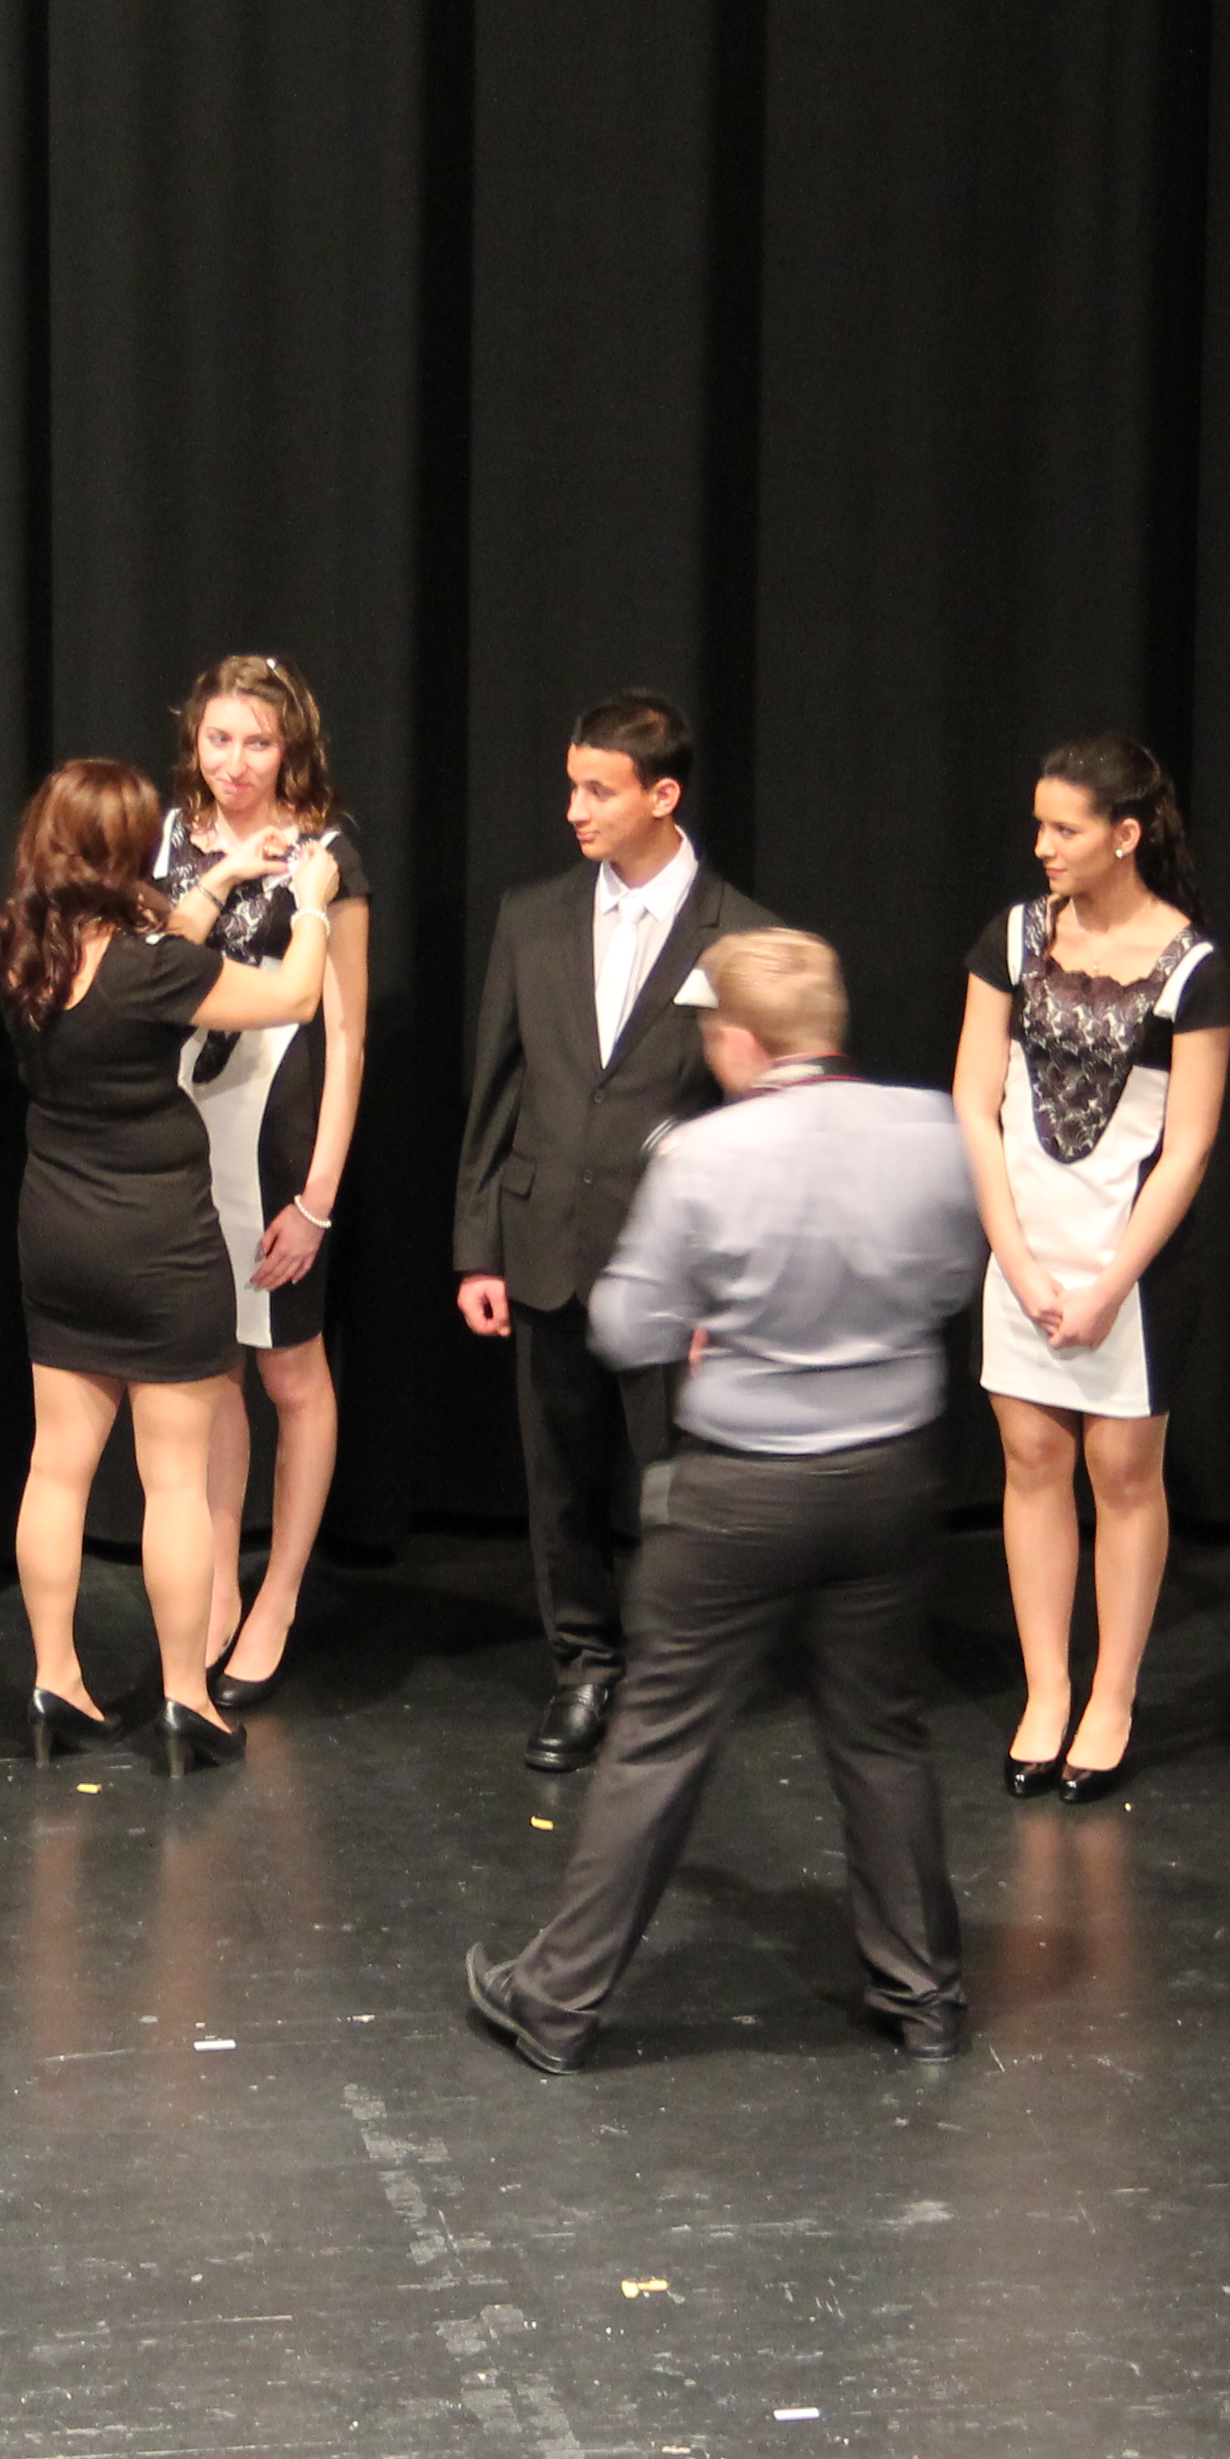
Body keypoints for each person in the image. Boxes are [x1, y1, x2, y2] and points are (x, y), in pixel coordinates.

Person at [461, 931, 987, 2070]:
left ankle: (555, 2002)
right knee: (882, 1733)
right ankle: (925, 1996)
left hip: (745, 1488)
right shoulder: (930, 1128)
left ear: (740, 1039)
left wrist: (712, 1310)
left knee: (659, 1738)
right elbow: (953, 1280)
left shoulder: (705, 1154)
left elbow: (626, 1326)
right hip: (889, 1476)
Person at [453, 692, 780, 1773]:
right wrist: (479, 1245)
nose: (575, 809)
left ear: (662, 794)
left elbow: (758, 1125)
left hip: (674, 1266)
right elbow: (498, 1085)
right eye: (572, 786)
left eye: (599, 790)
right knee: (560, 1479)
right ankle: (584, 1667)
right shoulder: (533, 915)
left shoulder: (742, 933)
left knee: (680, 1481)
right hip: (547, 1239)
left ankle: (682, 1674)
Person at [0, 762, 340, 1775]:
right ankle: (187, 1698)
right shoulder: (152, 969)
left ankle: (55, 1681)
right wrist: (314, 904)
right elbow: (292, 994)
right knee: (175, 1482)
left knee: (57, 1465)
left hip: (56, 1232)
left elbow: (150, 958)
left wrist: (221, 878)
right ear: (130, 852)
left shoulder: (22, 947)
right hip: (157, 1243)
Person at [946, 734, 1230, 1805]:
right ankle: (1046, 1689)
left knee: (1121, 1472)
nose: (1043, 845)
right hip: (1024, 1246)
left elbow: (1189, 1146)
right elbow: (974, 1099)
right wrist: (1016, 1260)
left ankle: (1111, 1695)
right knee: (1030, 1458)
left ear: (1125, 835)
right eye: (1039, 824)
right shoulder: (1013, 938)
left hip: (1132, 1265)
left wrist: (1109, 1285)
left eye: (1064, 827)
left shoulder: (1192, 967)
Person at [148, 655, 372, 1707]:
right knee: (214, 1373)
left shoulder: (326, 855)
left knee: (290, 1373)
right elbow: (148, 976)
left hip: (277, 1146)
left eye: (258, 742)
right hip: (180, 1141)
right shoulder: (167, 840)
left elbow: (348, 1035)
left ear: (293, 750)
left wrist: (317, 1199)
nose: (234, 763)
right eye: (218, 739)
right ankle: (223, 1584)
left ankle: (280, 1592)